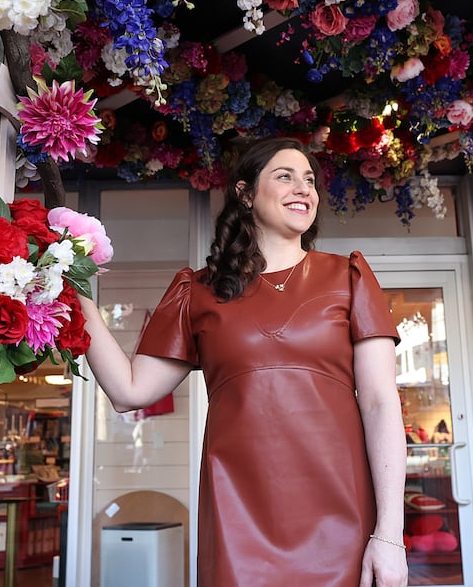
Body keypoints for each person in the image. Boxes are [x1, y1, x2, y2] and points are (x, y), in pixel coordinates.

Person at [81, 137, 408, 587]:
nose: (303, 189)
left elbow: (379, 402)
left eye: (310, 180)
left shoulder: (348, 277)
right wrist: (71, 288)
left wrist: (389, 535)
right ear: (246, 193)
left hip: (343, 514)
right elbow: (128, 392)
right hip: (238, 521)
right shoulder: (196, 291)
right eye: (285, 176)